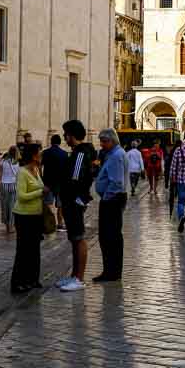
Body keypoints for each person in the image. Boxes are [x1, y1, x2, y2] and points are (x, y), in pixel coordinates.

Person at [57, 120, 96, 292]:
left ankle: (79, 278)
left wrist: (77, 198)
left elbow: (76, 179)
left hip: (74, 201)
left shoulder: (80, 153)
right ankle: (74, 275)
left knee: (78, 238)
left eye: (65, 134)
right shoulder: (77, 152)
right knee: (74, 238)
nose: (64, 137)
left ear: (71, 134)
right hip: (71, 200)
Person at [10, 143, 46, 293]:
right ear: (33, 155)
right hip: (23, 216)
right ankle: (18, 281)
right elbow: (21, 196)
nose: (42, 155)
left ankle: (33, 279)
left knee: (34, 248)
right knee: (23, 249)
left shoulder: (37, 170)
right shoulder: (22, 172)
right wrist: (40, 192)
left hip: (36, 215)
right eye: (40, 153)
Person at [94, 128, 128, 282]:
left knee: (109, 237)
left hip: (112, 200)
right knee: (110, 237)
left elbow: (117, 182)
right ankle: (110, 270)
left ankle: (111, 272)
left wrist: (106, 197)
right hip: (113, 199)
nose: (101, 144)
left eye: (104, 141)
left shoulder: (116, 156)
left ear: (112, 140)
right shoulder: (114, 154)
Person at [41, 135, 68, 231]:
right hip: (61, 183)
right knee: (60, 205)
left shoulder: (45, 153)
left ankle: (48, 223)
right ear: (60, 142)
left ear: (51, 142)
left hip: (48, 183)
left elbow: (40, 166)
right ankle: (60, 223)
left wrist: (41, 179)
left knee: (48, 204)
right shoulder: (64, 154)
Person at [0, 146, 19, 233]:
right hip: (14, 185)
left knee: (5, 206)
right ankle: (11, 226)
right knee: (12, 207)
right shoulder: (18, 162)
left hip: (4, 185)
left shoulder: (3, 161)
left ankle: (7, 226)